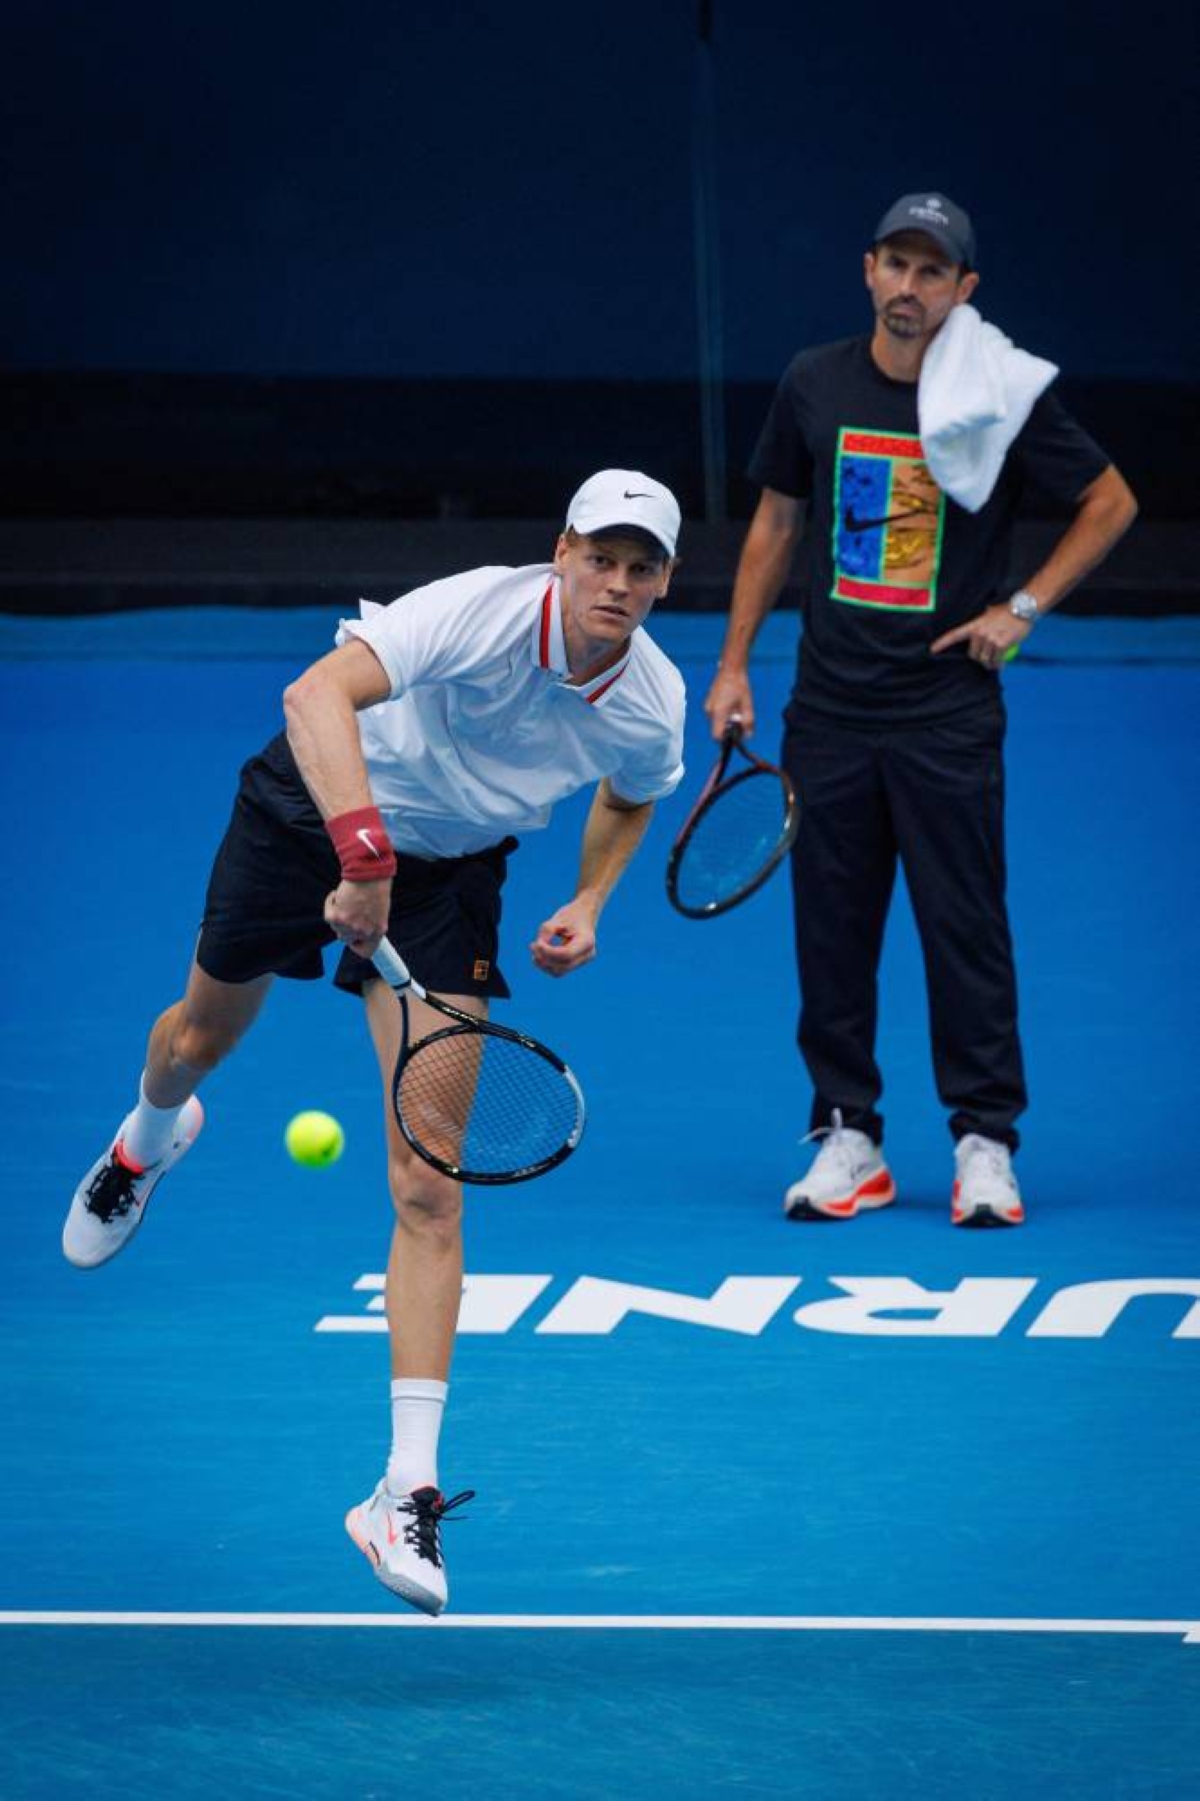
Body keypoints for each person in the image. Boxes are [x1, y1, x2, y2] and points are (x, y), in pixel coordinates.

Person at [63, 469, 686, 1614]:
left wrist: (592, 897)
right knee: (198, 1036)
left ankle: (405, 1486)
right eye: (600, 556)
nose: (615, 581)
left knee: (430, 1176)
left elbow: (633, 793)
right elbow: (316, 692)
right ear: (562, 552)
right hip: (315, 810)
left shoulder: (651, 701)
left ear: (663, 583)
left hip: (451, 874)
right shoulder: (480, 610)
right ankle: (149, 1138)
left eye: (639, 566)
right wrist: (360, 852)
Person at [704, 193, 1137, 1229]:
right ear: (868, 271)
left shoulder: (1000, 393)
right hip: (829, 713)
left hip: (947, 715)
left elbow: (1112, 501)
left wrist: (1021, 608)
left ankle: (985, 1142)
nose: (909, 286)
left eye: (932, 271)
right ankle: (846, 1136)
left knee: (964, 930)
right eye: (895, 264)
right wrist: (733, 666)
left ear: (963, 289)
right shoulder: (814, 381)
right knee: (831, 934)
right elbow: (776, 523)